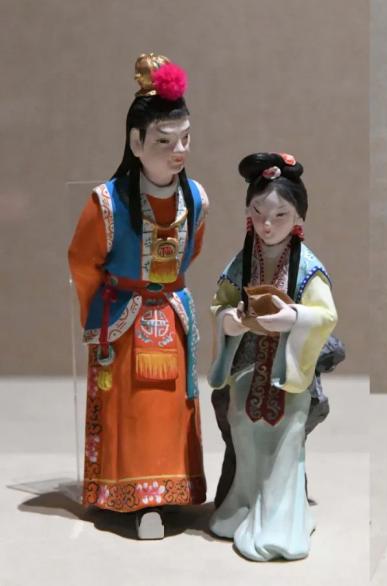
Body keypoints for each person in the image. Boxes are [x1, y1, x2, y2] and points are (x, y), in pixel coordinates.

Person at [68, 53, 208, 539]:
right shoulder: (106, 203)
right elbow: (82, 263)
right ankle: (132, 494)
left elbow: (193, 252)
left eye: (185, 138)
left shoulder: (196, 199)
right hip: (123, 321)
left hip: (171, 314)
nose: (178, 151)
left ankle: (175, 490)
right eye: (164, 141)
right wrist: (101, 311)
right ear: (135, 142)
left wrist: (165, 292)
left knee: (172, 407)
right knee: (131, 409)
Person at [208, 152, 337, 561]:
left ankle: (281, 525)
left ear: (298, 217)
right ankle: (242, 507)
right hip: (248, 368)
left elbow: (326, 315)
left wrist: (293, 317)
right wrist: (229, 321)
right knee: (244, 434)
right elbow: (220, 304)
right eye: (259, 213)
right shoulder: (241, 262)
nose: (268, 224)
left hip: (286, 372)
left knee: (284, 444)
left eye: (280, 215)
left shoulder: (307, 267)